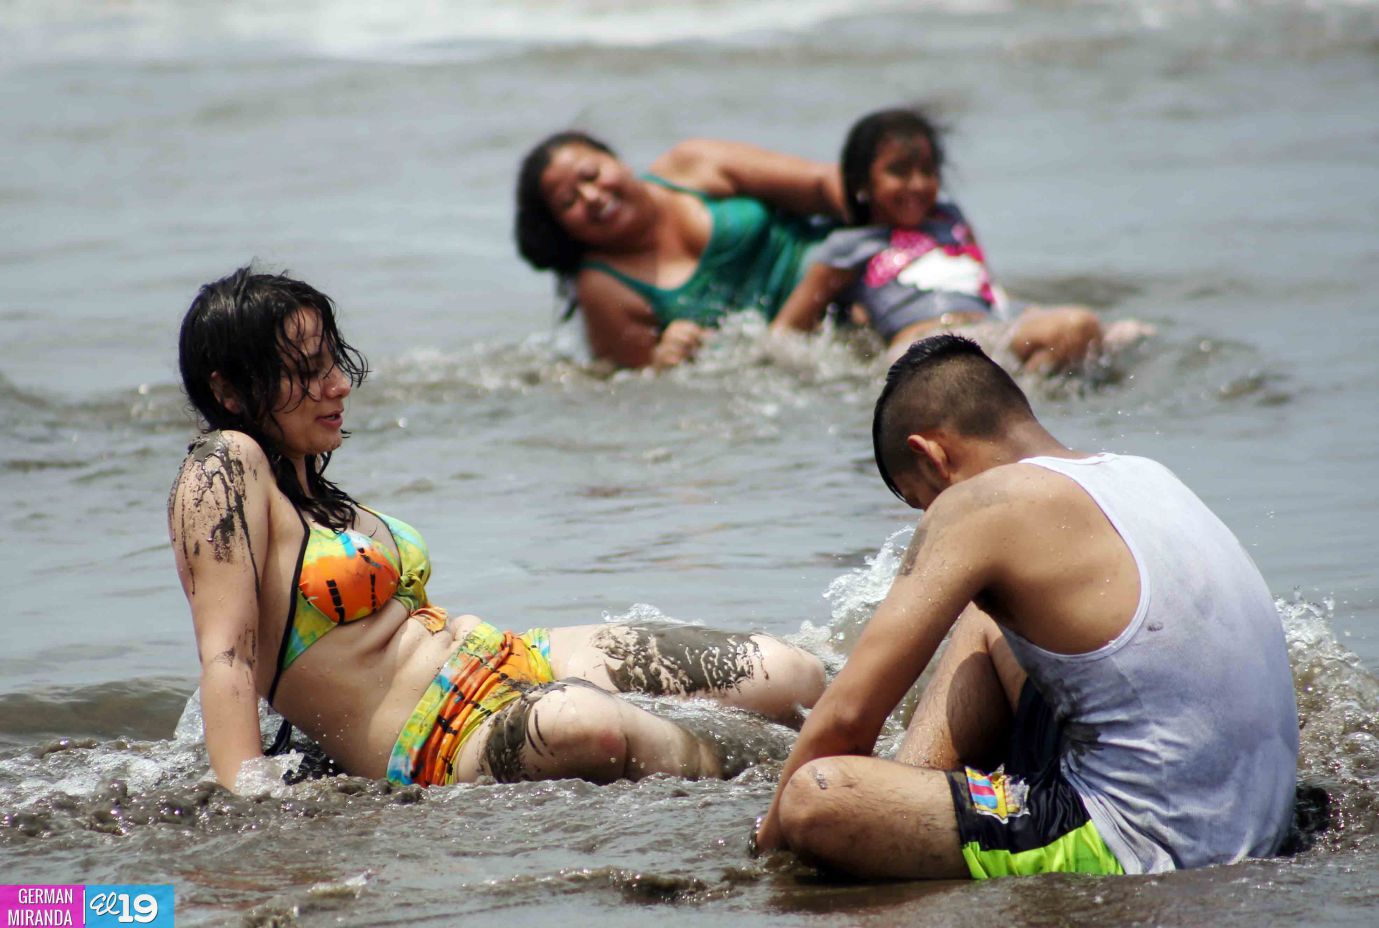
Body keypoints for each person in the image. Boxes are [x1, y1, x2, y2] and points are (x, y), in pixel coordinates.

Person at [168, 267, 826, 793]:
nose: (338, 384)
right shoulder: (223, 464)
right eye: (308, 370)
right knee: (586, 726)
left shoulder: (314, 490)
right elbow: (226, 653)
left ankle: (832, 752)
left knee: (787, 673)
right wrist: (246, 795)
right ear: (230, 392)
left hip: (514, 656)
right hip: (439, 738)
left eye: (332, 361)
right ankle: (805, 780)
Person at [753, 334, 1298, 878]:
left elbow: (845, 721)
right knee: (982, 620)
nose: (928, 516)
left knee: (818, 795)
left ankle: (908, 818)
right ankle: (921, 794)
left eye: (920, 501)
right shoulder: (1142, 475)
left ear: (932, 454)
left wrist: (768, 851)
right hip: (1258, 814)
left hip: (1146, 844)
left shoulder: (979, 503)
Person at [771, 108, 1150, 371]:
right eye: (899, 172)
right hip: (925, 347)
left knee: (1131, 334)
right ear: (861, 183)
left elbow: (987, 289)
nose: (917, 184)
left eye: (927, 171)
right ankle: (1023, 403)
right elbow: (785, 333)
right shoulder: (849, 247)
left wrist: (1026, 313)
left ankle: (1024, 397)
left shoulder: (949, 220)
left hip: (985, 332)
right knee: (1075, 326)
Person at [514, 130, 844, 370]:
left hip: (852, 268)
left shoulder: (692, 165)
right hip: (799, 349)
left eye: (592, 175)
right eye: (568, 202)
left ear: (618, 160)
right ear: (563, 230)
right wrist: (664, 359)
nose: (592, 197)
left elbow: (823, 183)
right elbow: (638, 386)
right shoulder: (605, 287)